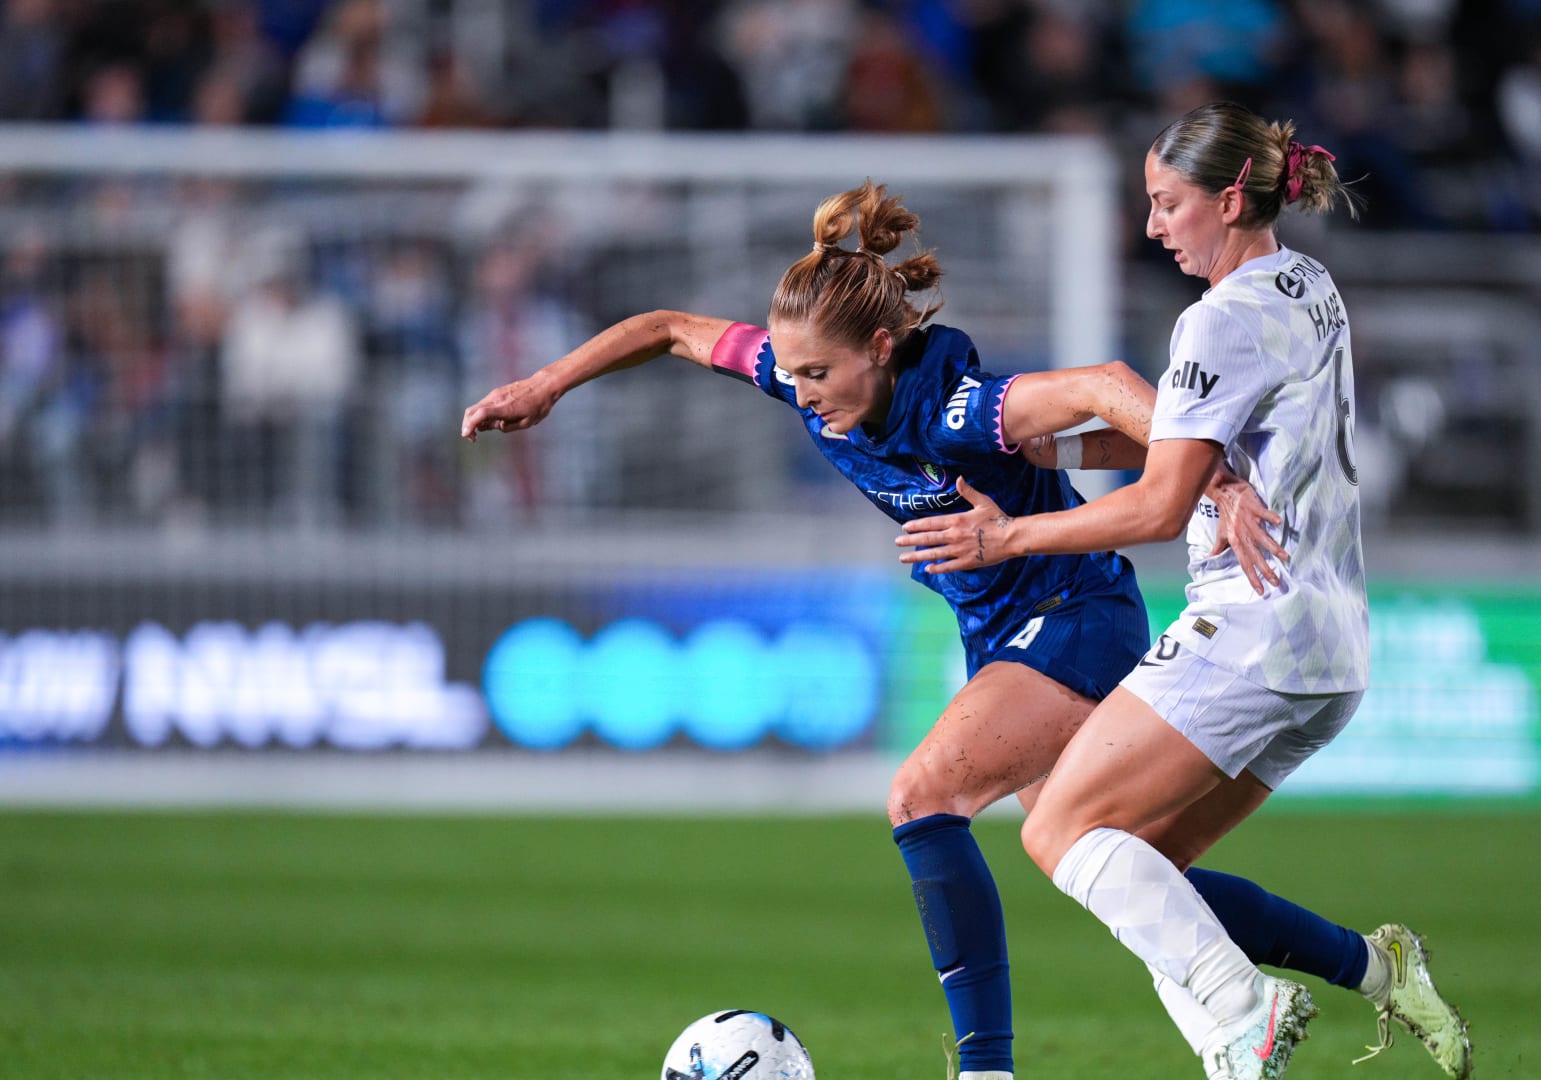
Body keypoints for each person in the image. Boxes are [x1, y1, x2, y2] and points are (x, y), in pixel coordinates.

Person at [459, 180, 1306, 1080]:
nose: (800, 393)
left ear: (878, 347)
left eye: (817, 375)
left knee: (921, 797)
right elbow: (668, 327)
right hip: (1003, 634)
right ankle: (1369, 966)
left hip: (1074, 616)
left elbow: (1107, 386)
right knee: (1115, 867)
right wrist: (545, 385)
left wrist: (1211, 479)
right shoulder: (802, 376)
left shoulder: (961, 409)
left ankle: (986, 1069)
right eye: (791, 374)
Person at [899, 102, 1474, 1080]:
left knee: (1059, 829)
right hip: (1333, 649)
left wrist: (1008, 536)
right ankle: (1362, 981)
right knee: (1144, 872)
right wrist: (1056, 450)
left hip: (1251, 625)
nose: (1154, 225)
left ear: (1231, 198)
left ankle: (1246, 1010)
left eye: (1169, 204)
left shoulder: (1218, 318)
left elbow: (1162, 503)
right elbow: (1194, 436)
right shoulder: (1308, 284)